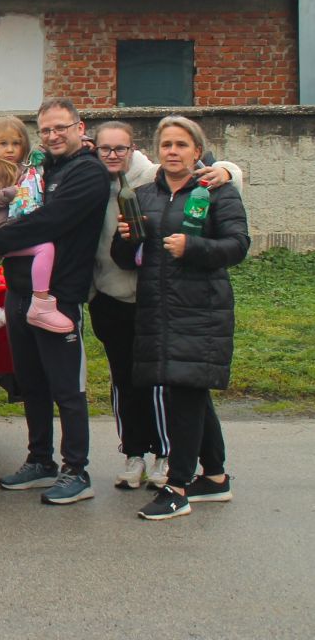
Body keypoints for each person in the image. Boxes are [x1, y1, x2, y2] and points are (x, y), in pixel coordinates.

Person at [91, 121, 240, 491]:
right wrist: (126, 241)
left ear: (197, 151)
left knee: (187, 393)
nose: (173, 151)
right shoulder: (143, 195)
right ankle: (215, 476)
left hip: (200, 307)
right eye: (167, 145)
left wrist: (195, 248)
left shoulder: (216, 191)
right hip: (157, 308)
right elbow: (126, 259)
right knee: (191, 393)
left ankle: (178, 483)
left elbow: (238, 245)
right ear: (157, 151)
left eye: (181, 145)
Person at [0, 98, 110, 506]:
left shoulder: (89, 172)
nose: (54, 135)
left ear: (79, 127)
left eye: (61, 127)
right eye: (47, 130)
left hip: (59, 296)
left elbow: (54, 220)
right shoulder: (40, 170)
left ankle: (77, 469)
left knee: (66, 387)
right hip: (20, 290)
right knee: (31, 383)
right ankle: (40, 461)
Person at [0, 116, 71, 331]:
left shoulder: (24, 169)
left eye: (16, 143)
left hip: (4, 233)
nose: (10, 149)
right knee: (45, 249)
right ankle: (41, 303)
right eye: (3, 144)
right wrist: (11, 193)